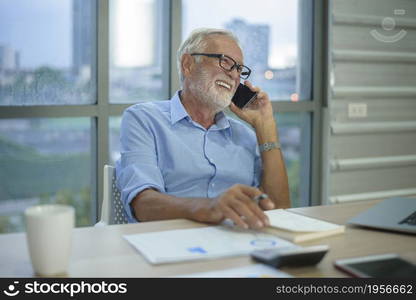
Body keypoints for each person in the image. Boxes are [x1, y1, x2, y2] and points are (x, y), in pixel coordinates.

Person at [116, 28, 290, 230]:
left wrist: (264, 125)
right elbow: (144, 206)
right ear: (188, 65)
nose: (234, 75)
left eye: (239, 69)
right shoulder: (144, 119)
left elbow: (279, 209)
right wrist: (211, 207)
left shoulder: (245, 135)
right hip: (168, 242)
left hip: (236, 243)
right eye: (225, 61)